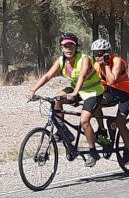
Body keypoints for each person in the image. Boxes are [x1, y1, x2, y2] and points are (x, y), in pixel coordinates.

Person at [27, 33, 105, 167]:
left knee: (84, 120)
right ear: (61, 48)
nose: (68, 48)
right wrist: (33, 90)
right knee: (57, 99)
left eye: (71, 45)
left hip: (93, 92)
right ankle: (65, 132)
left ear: (76, 47)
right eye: (65, 46)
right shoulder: (61, 61)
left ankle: (93, 152)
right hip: (77, 89)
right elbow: (47, 76)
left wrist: (75, 93)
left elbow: (81, 76)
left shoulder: (84, 59)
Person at [90, 38, 129, 165]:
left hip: (125, 93)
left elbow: (111, 80)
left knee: (120, 122)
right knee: (94, 102)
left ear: (107, 53)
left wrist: (107, 64)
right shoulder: (97, 65)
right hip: (110, 92)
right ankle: (102, 130)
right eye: (95, 54)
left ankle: (128, 148)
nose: (97, 57)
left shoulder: (117, 61)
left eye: (100, 53)